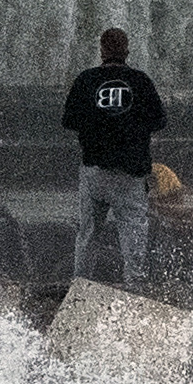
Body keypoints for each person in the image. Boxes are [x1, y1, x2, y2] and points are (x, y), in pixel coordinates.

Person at [61, 26, 165, 282]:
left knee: (87, 236)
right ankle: (134, 292)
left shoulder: (86, 80)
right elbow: (159, 120)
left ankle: (80, 288)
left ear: (102, 50)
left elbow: (69, 121)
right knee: (133, 239)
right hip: (131, 173)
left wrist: (98, 125)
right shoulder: (141, 81)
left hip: (95, 170)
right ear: (127, 50)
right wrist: (129, 127)